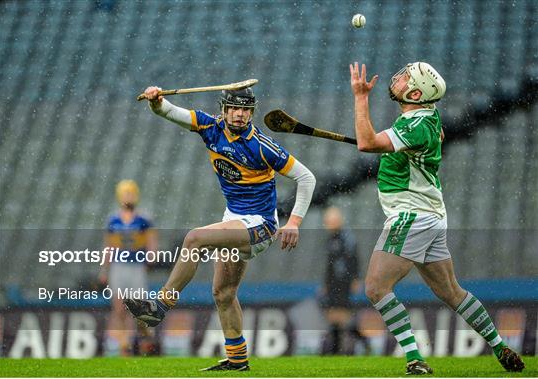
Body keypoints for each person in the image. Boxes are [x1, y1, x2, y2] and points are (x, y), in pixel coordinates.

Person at [349, 62, 525, 374]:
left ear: (416, 93)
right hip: (431, 216)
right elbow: (435, 134)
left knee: (376, 287)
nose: (398, 78)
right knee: (452, 292)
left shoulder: (415, 125)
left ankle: (415, 358)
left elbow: (366, 143)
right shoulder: (427, 116)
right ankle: (499, 346)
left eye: (405, 78)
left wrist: (361, 97)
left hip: (411, 216)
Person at [123, 85, 316, 371]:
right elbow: (168, 111)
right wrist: (156, 101)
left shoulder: (261, 145)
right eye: (234, 109)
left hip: (260, 226)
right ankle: (237, 361)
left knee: (194, 239)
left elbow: (307, 178)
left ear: (252, 113)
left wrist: (295, 222)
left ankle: (159, 306)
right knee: (223, 293)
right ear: (224, 109)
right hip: (234, 220)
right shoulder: (209, 127)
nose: (240, 115)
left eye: (246, 110)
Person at [99, 179, 158, 356]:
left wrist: (151, 255)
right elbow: (108, 246)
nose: (129, 197)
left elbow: (152, 241)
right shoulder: (113, 220)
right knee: (118, 308)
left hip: (136, 267)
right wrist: (104, 270)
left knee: (139, 308)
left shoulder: (143, 219)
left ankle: (144, 340)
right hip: (118, 267)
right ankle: (124, 346)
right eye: (126, 193)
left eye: (131, 193)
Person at [320, 206, 361, 355]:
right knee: (334, 316)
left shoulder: (346, 237)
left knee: (341, 316)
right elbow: (329, 264)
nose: (327, 224)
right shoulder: (331, 239)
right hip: (333, 283)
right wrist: (326, 283)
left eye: (329, 221)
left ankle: (358, 344)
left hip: (343, 282)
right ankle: (336, 350)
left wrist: (355, 278)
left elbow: (353, 259)